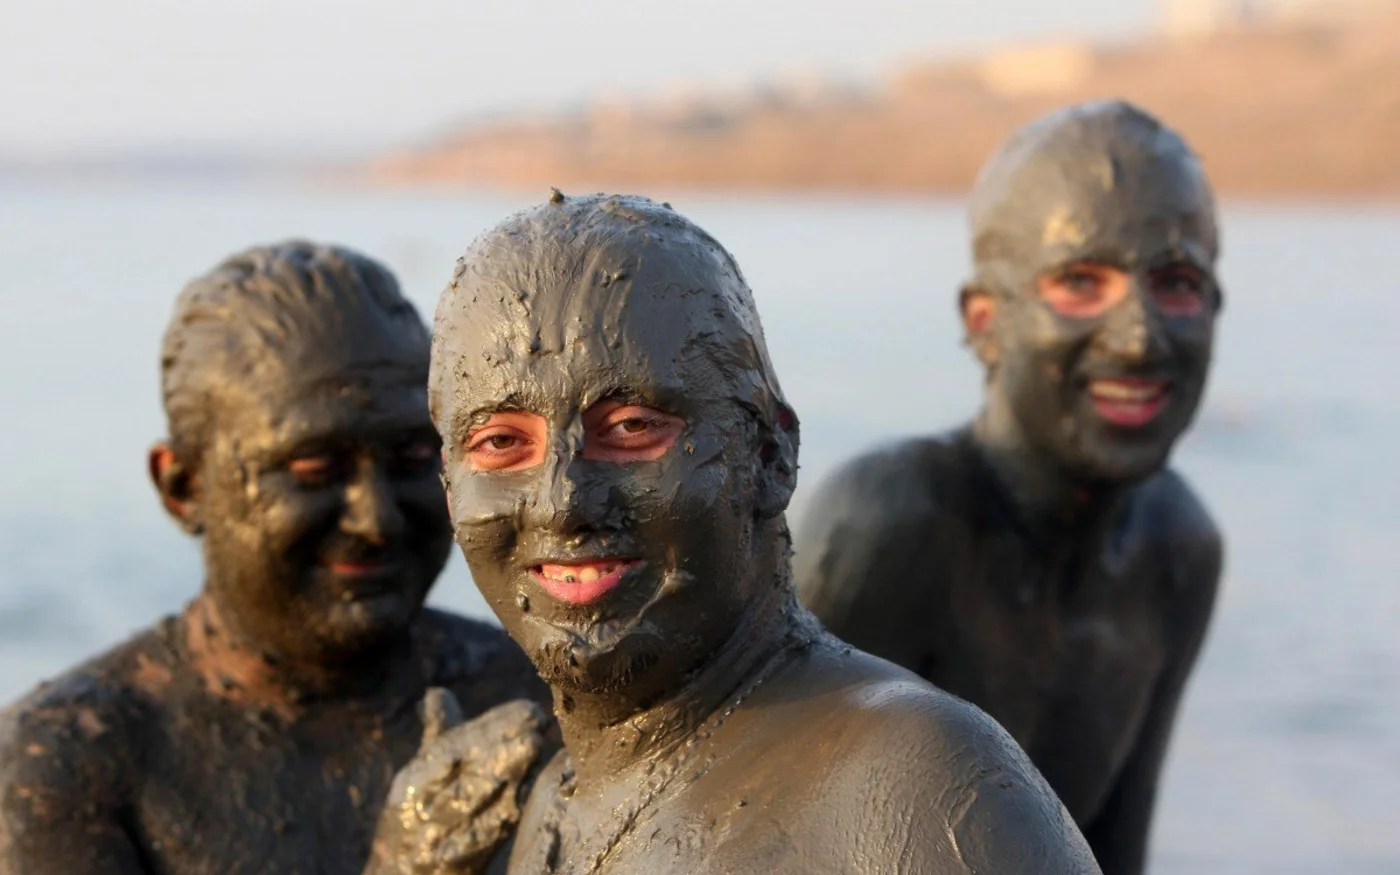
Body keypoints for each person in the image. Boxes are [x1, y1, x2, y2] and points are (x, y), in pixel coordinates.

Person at [426, 191, 1101, 874]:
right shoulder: (551, 796)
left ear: (771, 455)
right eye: (502, 442)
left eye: (631, 428)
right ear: (451, 485)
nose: (562, 502)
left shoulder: (916, 784)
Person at [0, 242, 549, 875]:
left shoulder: (535, 694)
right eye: (315, 470)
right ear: (183, 487)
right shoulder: (71, 761)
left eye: (410, 461)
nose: (375, 519)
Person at [794, 100, 1223, 875]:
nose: (1139, 335)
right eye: (1080, 282)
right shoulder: (890, 522)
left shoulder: (1179, 549)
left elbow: (1118, 849)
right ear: (986, 320)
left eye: (1177, 282)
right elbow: (752, 822)